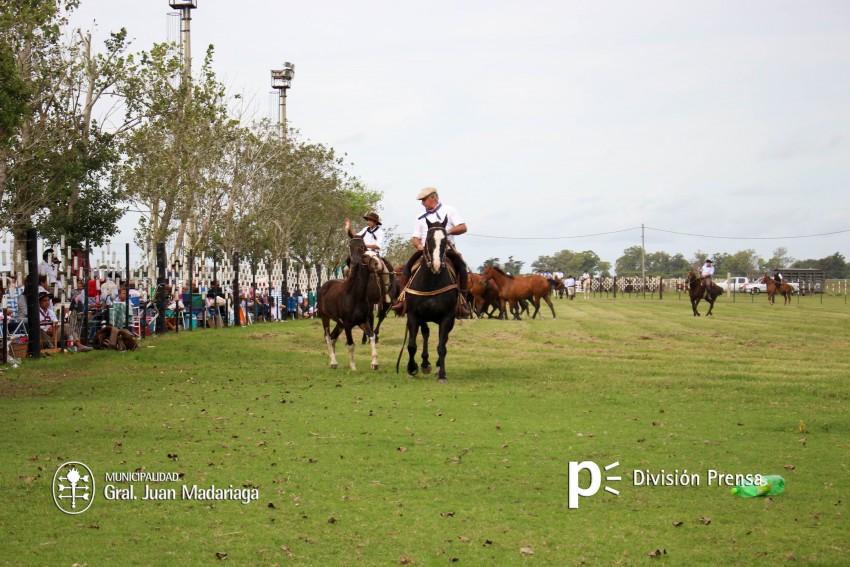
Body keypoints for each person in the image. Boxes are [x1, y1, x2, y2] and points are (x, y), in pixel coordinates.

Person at [393, 187, 469, 316]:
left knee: (462, 268)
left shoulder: (449, 210)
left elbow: (463, 227)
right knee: (407, 267)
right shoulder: (419, 216)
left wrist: (447, 231)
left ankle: (462, 303)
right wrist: (418, 246)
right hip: (426, 251)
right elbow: (415, 237)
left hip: (446, 250)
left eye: (424, 199)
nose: (422, 203)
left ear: (433, 197)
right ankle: (402, 300)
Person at [345, 212, 393, 304]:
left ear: (375, 222)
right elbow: (356, 237)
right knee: (346, 269)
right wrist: (349, 227)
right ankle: (348, 287)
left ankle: (386, 292)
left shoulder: (380, 232)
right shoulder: (365, 229)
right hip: (362, 254)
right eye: (368, 220)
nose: (368, 222)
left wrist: (363, 245)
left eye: (370, 220)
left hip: (373, 254)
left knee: (385, 271)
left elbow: (377, 246)